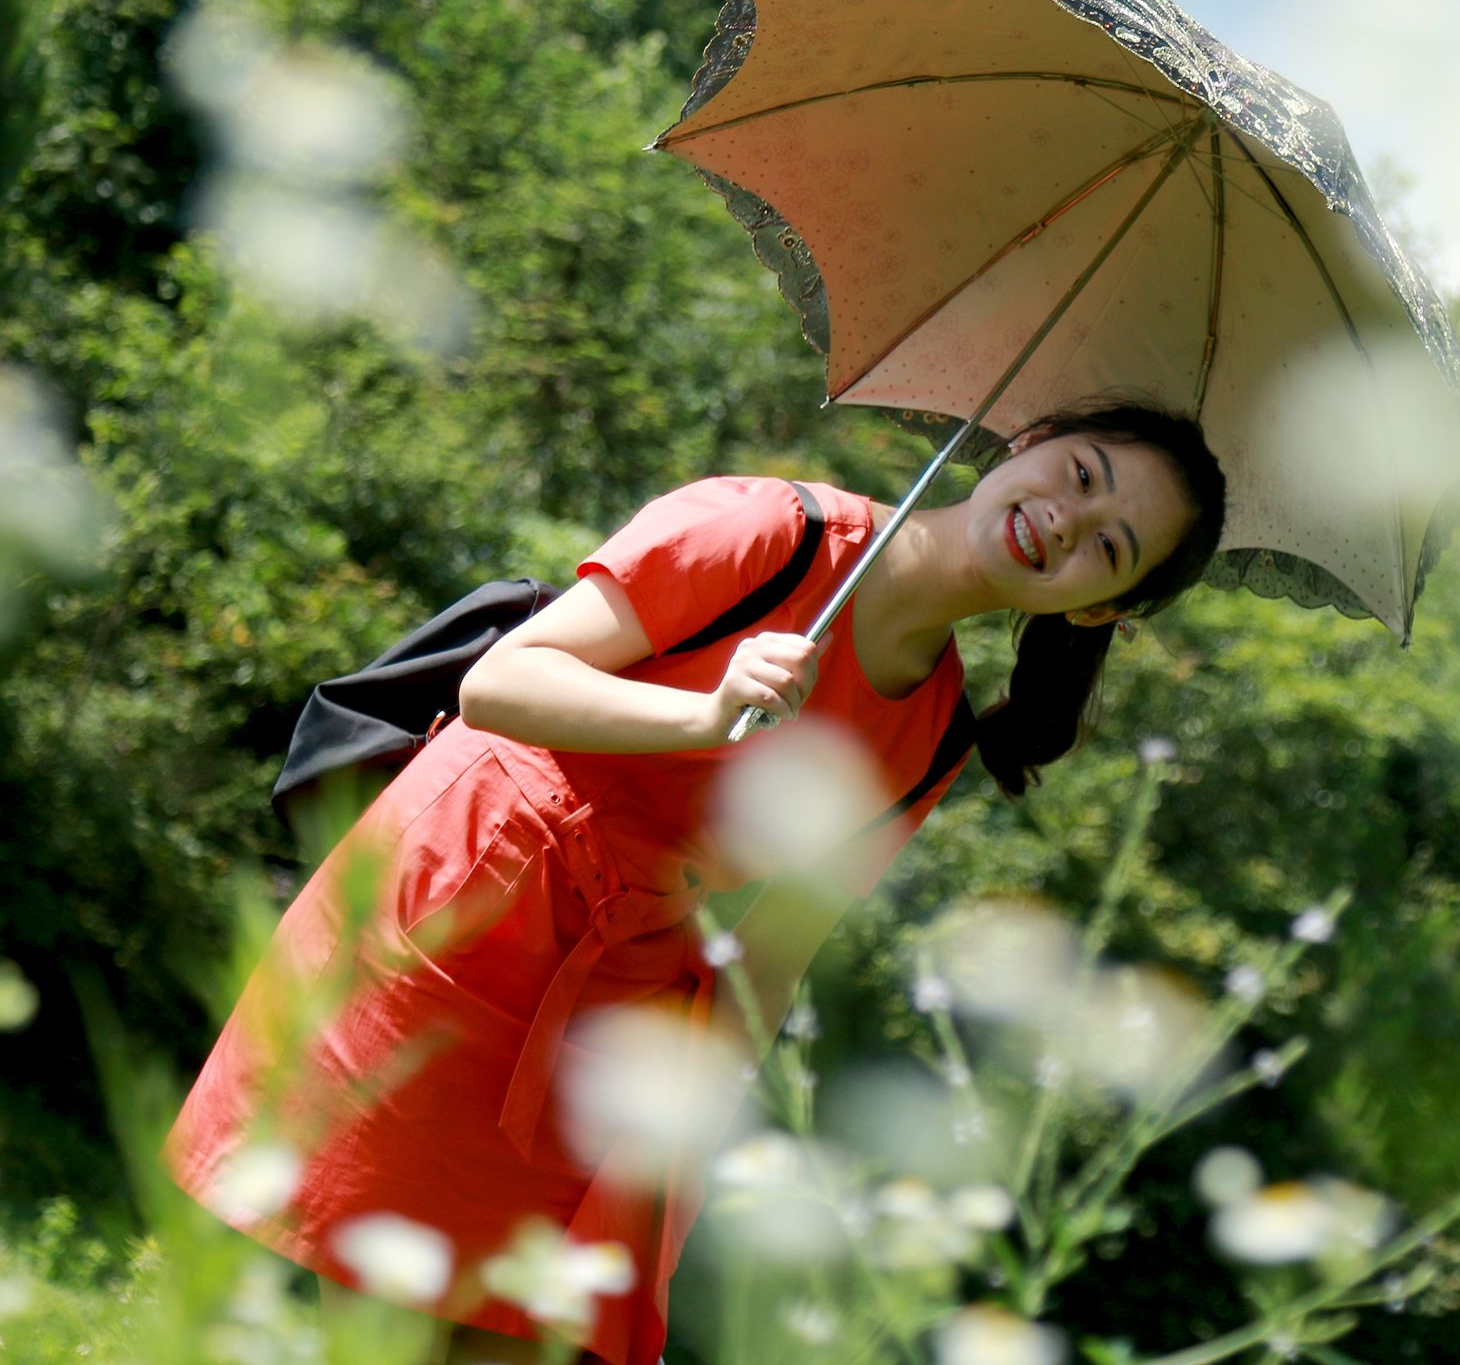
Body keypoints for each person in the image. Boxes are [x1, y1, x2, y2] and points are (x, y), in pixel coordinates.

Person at [163, 396, 1228, 1365]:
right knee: (371, 1304)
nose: (1065, 522)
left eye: (1109, 548)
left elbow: (777, 950)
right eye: (1080, 475)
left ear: (1100, 611)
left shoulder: (932, 732)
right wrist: (703, 713)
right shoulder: (772, 530)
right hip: (463, 901)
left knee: (534, 1332)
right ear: (1027, 440)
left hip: (617, 994)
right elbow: (501, 683)